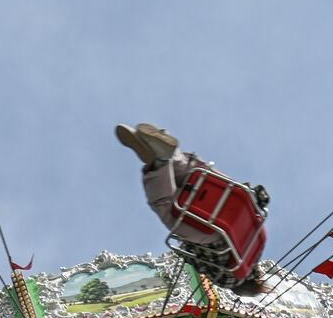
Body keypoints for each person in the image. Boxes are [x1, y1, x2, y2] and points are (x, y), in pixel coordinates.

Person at [113, 123, 269, 296]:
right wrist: (186, 252)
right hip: (212, 232)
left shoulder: (258, 244)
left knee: (191, 175)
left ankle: (172, 155)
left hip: (229, 198)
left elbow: (257, 207)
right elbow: (200, 262)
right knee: (167, 207)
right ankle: (159, 163)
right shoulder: (232, 278)